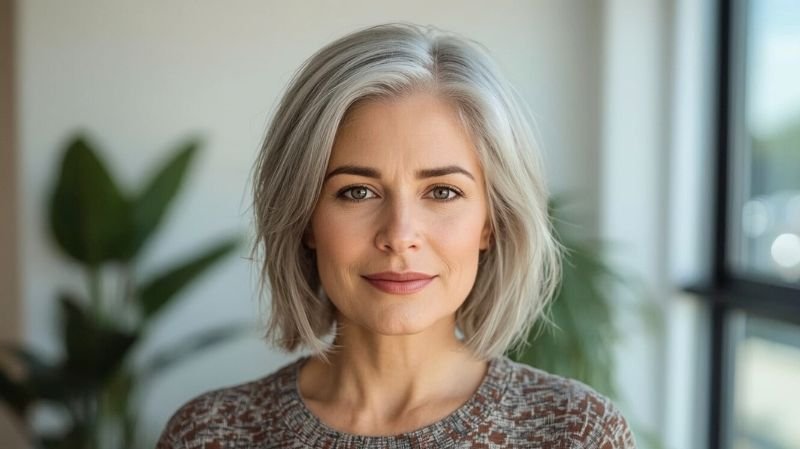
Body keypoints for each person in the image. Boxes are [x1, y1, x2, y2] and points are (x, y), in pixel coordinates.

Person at [156, 22, 637, 448]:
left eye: (443, 192)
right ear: (305, 219)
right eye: (358, 192)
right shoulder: (211, 434)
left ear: (491, 222)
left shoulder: (573, 432)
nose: (400, 235)